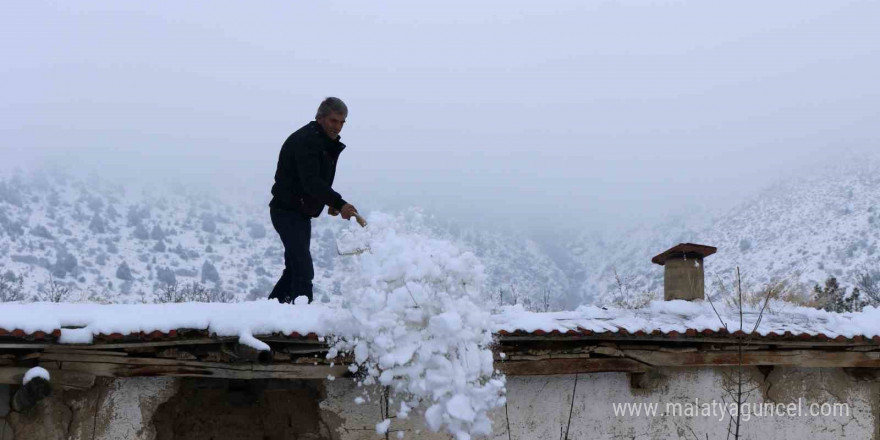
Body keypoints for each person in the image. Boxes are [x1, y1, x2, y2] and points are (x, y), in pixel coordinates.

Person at [268, 97, 358, 304]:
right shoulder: (306, 141)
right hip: (287, 211)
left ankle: (270, 311)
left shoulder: (321, 141)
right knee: (302, 268)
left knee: (294, 268)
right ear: (320, 118)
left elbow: (312, 182)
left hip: (299, 211)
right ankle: (301, 323)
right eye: (334, 121)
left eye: (342, 122)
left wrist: (329, 202)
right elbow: (311, 182)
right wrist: (338, 203)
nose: (338, 127)